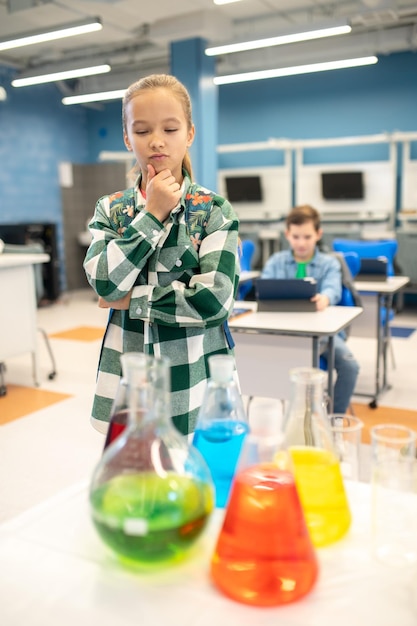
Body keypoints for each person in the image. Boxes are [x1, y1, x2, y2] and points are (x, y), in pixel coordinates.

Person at [84, 74, 240, 436]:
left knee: (193, 483)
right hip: (127, 377)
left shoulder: (213, 211)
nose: (156, 141)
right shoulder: (111, 210)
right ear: (126, 138)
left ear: (189, 134)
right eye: (141, 131)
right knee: (133, 479)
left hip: (194, 377)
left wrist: (133, 300)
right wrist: (152, 215)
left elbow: (214, 301)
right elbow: (106, 282)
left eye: (170, 129)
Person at [261, 204, 359, 414]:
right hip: (283, 334)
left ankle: (335, 418)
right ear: (287, 234)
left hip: (321, 334)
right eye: (296, 237)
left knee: (350, 367)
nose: (301, 242)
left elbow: (333, 290)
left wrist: (325, 298)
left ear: (318, 234)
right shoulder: (275, 262)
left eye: (307, 236)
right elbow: (265, 289)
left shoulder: (329, 263)